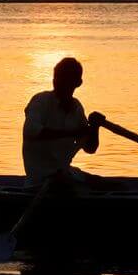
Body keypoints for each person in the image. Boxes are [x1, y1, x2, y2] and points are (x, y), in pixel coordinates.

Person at [23, 56, 103, 185]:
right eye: (57, 77)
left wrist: (95, 128)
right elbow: (32, 131)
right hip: (41, 179)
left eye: (65, 78)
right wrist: (72, 133)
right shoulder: (40, 101)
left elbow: (90, 148)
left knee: (113, 185)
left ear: (78, 83)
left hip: (66, 173)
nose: (58, 81)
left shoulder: (77, 107)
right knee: (69, 188)